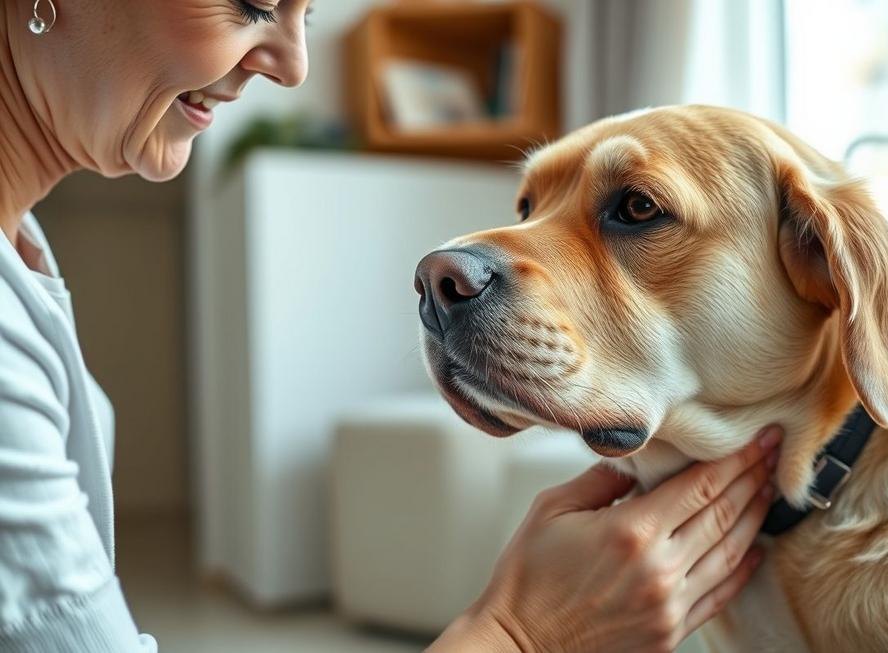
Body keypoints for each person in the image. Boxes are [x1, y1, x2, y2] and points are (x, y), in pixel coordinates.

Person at [0, 1, 781, 651]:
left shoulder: (23, 246)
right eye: (254, 3)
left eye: (305, 15)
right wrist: (522, 632)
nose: (294, 65)